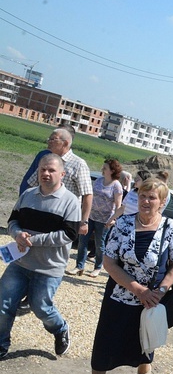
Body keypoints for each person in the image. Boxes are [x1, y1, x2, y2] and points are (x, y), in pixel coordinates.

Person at [84, 177, 173, 374]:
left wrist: (160, 291)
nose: (146, 201)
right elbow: (109, 261)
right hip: (119, 296)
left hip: (150, 301)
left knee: (143, 342)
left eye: (152, 197)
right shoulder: (123, 224)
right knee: (104, 345)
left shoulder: (171, 227)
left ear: (162, 202)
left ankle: (143, 371)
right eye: (142, 196)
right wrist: (137, 289)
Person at [1, 154, 79, 360]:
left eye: (51, 170)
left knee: (41, 307)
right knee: (3, 304)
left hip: (48, 268)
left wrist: (35, 240)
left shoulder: (70, 202)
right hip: (20, 263)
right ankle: (1, 345)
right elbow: (12, 221)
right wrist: (17, 234)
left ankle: (60, 328)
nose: (46, 173)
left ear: (62, 174)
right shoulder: (27, 195)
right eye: (43, 169)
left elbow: (69, 234)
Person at [26, 127, 93, 242]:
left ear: (65, 143)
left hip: (64, 217)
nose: (49, 141)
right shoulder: (47, 160)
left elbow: (87, 194)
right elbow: (31, 185)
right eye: (49, 139)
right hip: (41, 211)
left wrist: (84, 221)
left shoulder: (78, 164)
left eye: (53, 139)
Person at [70, 159, 123, 277]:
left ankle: (98, 267)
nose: (102, 169)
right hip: (90, 216)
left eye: (105, 168)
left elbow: (118, 206)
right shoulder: (98, 181)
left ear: (112, 171)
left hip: (105, 220)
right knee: (82, 242)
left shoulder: (116, 186)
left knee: (99, 244)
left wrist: (113, 219)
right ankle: (79, 266)